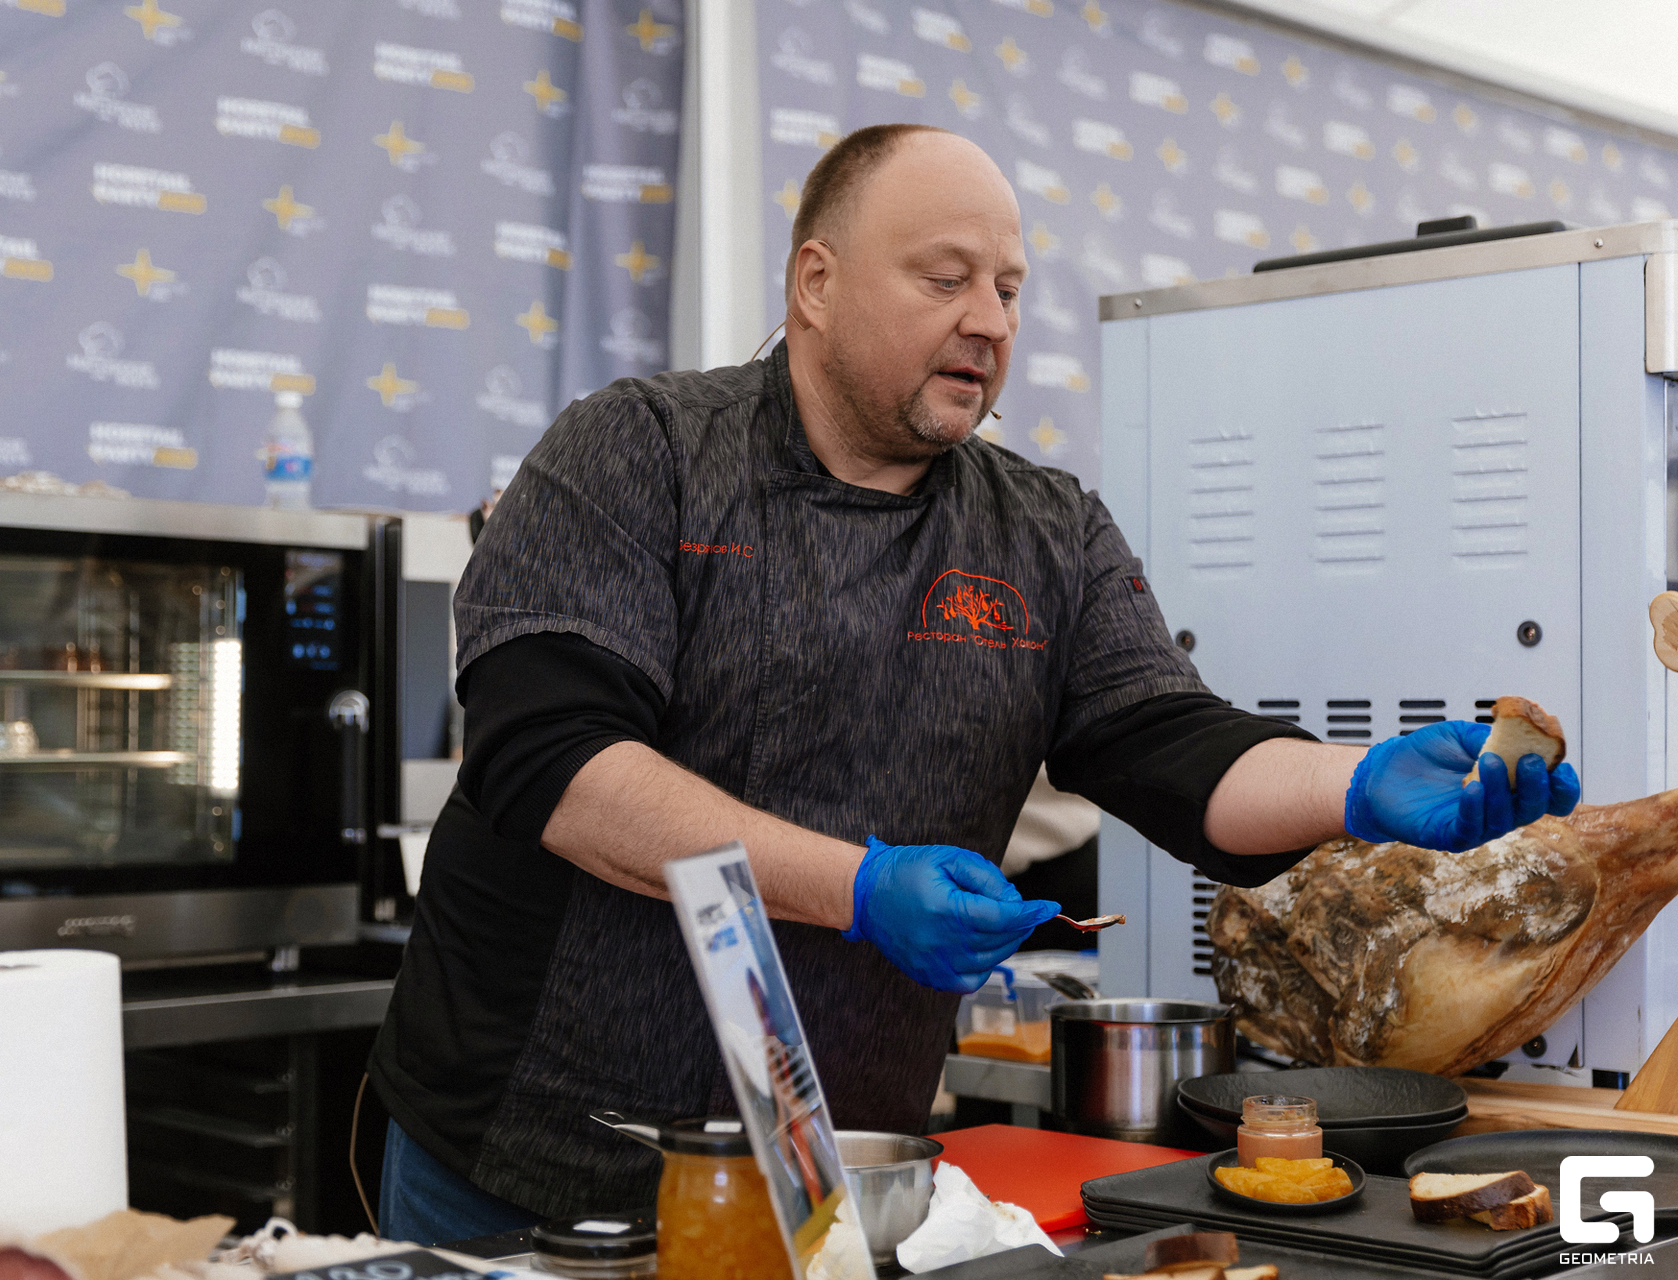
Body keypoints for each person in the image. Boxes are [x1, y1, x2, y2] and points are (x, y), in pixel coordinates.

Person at [367, 123, 1579, 1244]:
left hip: (837, 1177)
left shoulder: (1045, 528)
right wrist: (858, 887)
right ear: (816, 282)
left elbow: (1169, 741)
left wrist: (1354, 784)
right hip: (531, 1160)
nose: (989, 321)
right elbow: (558, 766)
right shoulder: (640, 451)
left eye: (1007, 288)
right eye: (945, 278)